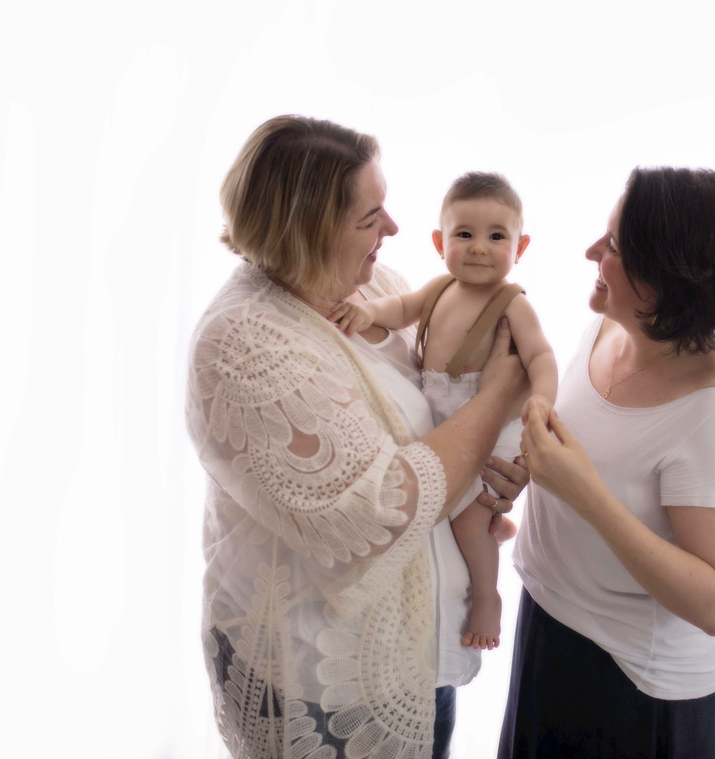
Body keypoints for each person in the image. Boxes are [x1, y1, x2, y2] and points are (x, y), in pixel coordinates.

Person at [185, 115, 530, 759]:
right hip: (320, 674)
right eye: (371, 217)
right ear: (309, 231)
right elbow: (379, 510)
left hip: (420, 645)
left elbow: (437, 424)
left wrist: (493, 480)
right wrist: (498, 399)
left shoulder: (380, 286)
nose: (394, 231)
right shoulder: (241, 345)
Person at [499, 167, 715, 759]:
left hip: (632, 686)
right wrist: (527, 473)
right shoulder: (606, 328)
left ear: (666, 279)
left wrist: (584, 493)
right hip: (550, 626)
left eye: (614, 247)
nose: (591, 251)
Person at [331, 171, 557, 651]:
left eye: (497, 237)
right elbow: (400, 307)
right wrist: (369, 314)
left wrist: (542, 399)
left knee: (465, 518)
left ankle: (486, 597)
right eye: (464, 234)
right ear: (439, 241)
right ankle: (491, 528)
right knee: (439, 482)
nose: (479, 247)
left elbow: (540, 357)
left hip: (492, 421)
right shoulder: (437, 289)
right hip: (447, 412)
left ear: (521, 247)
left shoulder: (511, 303)